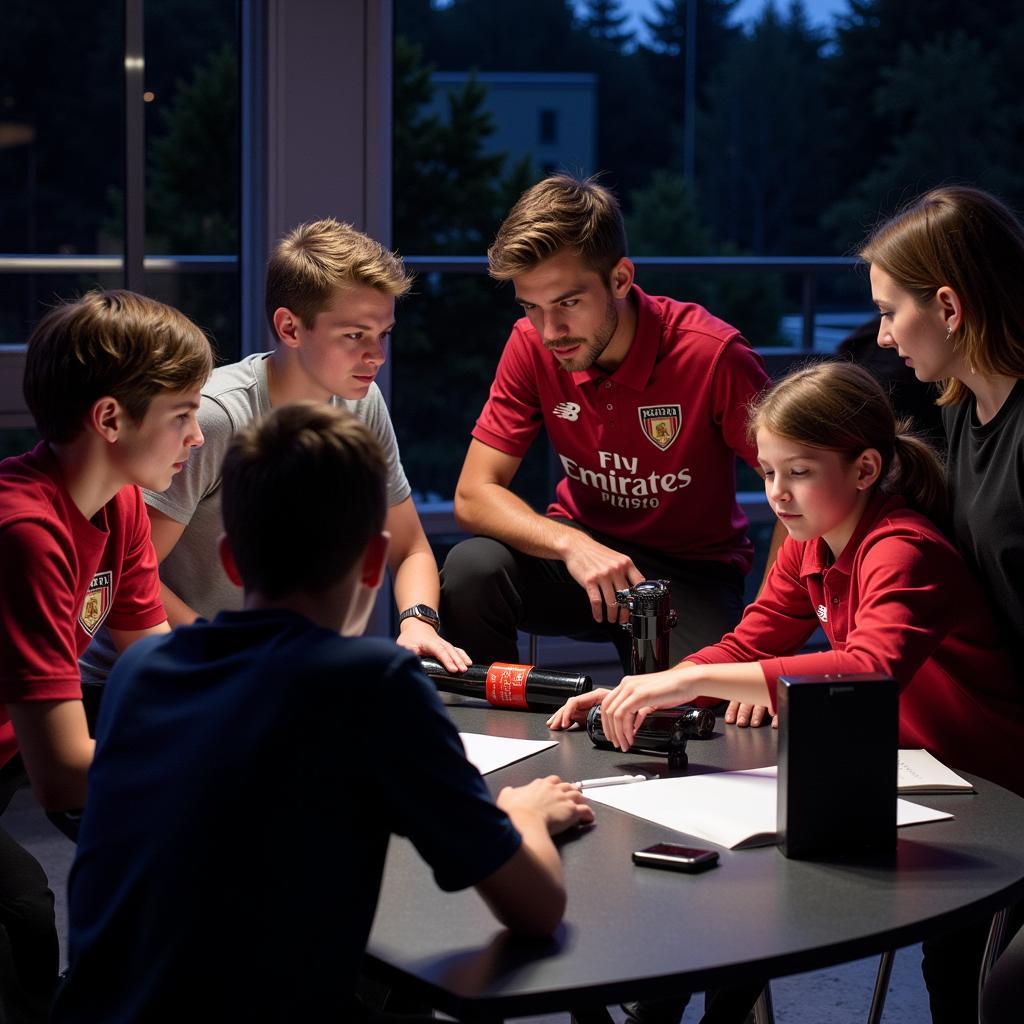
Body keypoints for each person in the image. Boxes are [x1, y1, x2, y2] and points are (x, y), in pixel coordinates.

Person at [51, 402, 594, 1024]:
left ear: (231, 558)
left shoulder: (141, 675)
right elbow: (536, 908)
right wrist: (521, 815)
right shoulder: (374, 685)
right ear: (372, 563)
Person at [550, 360, 1024, 1024]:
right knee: (725, 876)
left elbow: (869, 667)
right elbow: (752, 641)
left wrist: (686, 677)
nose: (777, 493)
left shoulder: (903, 548)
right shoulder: (810, 541)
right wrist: (643, 689)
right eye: (768, 472)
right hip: (899, 775)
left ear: (863, 470)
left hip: (989, 795)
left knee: (950, 972)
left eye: (798, 472)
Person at [80, 217, 468, 687]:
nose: (377, 355)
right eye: (354, 335)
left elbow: (408, 546)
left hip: (267, 671)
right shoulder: (210, 419)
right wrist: (236, 654)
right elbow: (132, 577)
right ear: (289, 327)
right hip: (158, 680)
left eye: (383, 334)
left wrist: (417, 623)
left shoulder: (362, 404)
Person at [441, 173, 779, 688]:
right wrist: (571, 545)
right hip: (581, 552)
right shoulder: (531, 345)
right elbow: (473, 495)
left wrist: (767, 629)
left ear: (620, 279)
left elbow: (803, 490)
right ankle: (490, 744)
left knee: (700, 707)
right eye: (531, 308)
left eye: (568, 303)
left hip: (690, 573)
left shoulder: (714, 356)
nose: (549, 331)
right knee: (472, 570)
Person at [0, 291, 212, 1022]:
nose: (197, 437)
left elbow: (152, 664)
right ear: (111, 418)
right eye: (182, 414)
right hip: (24, 757)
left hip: (9, 751)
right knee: (23, 915)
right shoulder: (26, 532)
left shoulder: (118, 501)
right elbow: (61, 775)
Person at [859, 185, 1024, 1024]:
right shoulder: (962, 414)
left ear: (950, 306)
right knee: (945, 943)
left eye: (892, 311)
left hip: (1014, 759)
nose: (884, 335)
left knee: (1006, 986)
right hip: (990, 748)